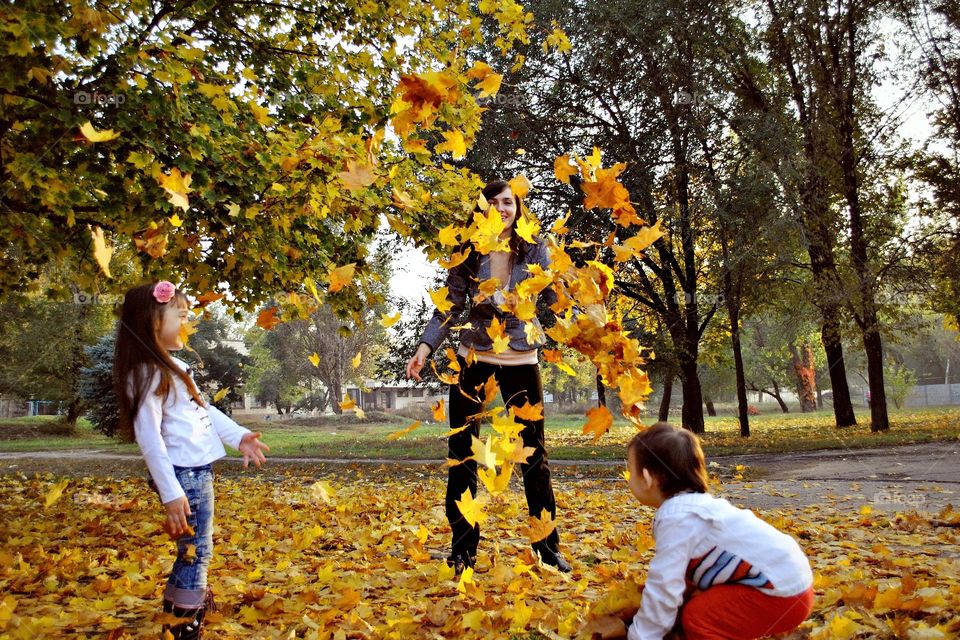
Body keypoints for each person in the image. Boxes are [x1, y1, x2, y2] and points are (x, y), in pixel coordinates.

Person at [405, 179, 571, 574]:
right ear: (482, 209)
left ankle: (547, 548)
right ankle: (463, 550)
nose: (501, 208)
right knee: (462, 454)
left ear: (518, 207)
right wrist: (425, 347)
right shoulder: (468, 250)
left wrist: (585, 327)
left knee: (534, 455)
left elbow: (555, 300)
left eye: (508, 202)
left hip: (521, 359)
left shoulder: (535, 247)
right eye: (493, 202)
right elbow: (449, 306)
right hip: (474, 357)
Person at [113, 281, 269, 639]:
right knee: (197, 552)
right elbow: (150, 439)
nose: (187, 325)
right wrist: (171, 493)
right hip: (184, 477)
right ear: (153, 322)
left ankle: (175, 617)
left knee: (193, 550)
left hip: (194, 474)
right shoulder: (150, 373)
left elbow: (205, 411)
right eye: (181, 317)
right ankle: (186, 626)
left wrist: (239, 437)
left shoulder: (173, 369)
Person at [592, 422, 814, 639]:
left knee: (698, 618)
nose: (628, 478)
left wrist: (641, 635)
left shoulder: (677, 520)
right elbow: (682, 583)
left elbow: (664, 588)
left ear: (647, 479)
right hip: (791, 583)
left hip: (780, 593)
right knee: (694, 602)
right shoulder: (693, 509)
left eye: (630, 471)